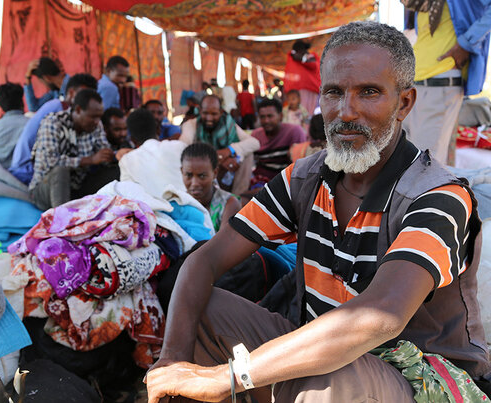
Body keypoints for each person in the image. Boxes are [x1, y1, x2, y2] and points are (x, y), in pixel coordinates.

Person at [146, 21, 491, 402]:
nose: (347, 111)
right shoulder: (304, 178)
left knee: (330, 382)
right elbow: (204, 260)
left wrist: (228, 376)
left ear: (404, 103)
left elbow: (381, 315)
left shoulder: (437, 196)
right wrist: (172, 362)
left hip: (418, 379)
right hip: (321, 355)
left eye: (370, 92)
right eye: (334, 92)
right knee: (202, 306)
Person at [402, 0, 491, 164]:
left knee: (423, 165)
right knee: (407, 159)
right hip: (413, 82)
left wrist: (465, 44)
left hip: (440, 81)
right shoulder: (420, 4)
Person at [29, 89, 114, 211]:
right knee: (60, 171)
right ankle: (62, 223)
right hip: (45, 190)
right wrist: (90, 160)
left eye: (99, 117)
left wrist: (114, 156)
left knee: (113, 171)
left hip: (76, 187)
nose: (96, 122)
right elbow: (50, 162)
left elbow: (103, 152)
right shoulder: (53, 122)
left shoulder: (96, 125)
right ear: (78, 110)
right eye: (93, 117)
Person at [9, 73, 97, 185]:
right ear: (71, 93)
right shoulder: (58, 109)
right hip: (26, 170)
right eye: (84, 96)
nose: (86, 101)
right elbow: (50, 160)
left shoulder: (74, 113)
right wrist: (90, 160)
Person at [180, 94, 260, 195]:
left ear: (221, 112)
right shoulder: (191, 125)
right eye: (205, 113)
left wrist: (229, 150)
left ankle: (237, 198)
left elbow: (254, 143)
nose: (209, 118)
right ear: (199, 110)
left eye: (214, 114)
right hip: (203, 173)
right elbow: (183, 147)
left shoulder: (228, 124)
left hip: (227, 171)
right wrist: (217, 157)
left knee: (248, 155)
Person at [119, 108, 188, 196]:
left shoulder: (126, 160)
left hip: (152, 209)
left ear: (132, 139)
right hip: (188, 204)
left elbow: (128, 196)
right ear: (158, 130)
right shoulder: (178, 146)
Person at [181, 143, 241, 232]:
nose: (195, 183)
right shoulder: (178, 203)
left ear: (215, 173)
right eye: (188, 175)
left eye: (202, 176)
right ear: (182, 171)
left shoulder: (229, 203)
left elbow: (223, 243)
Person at [251, 98, 306, 187]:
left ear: (280, 116)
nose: (266, 121)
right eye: (262, 117)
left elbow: (300, 167)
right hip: (260, 182)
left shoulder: (294, 131)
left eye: (270, 116)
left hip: (286, 184)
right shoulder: (256, 135)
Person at [283, 40, 321, 115]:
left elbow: (313, 65)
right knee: (299, 114)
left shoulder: (311, 57)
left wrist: (302, 58)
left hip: (310, 89)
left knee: (307, 114)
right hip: (296, 90)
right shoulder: (292, 57)